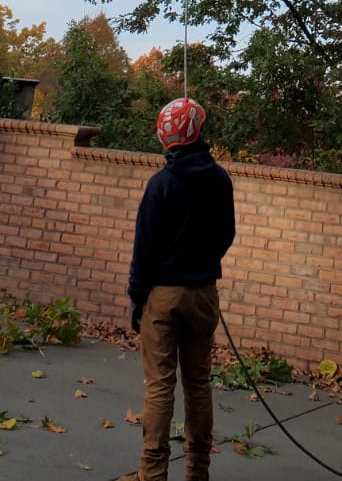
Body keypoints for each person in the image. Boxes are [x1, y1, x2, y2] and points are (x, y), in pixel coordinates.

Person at [126, 96, 235, 481]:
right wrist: (203, 264)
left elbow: (144, 249)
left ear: (166, 139)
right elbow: (226, 234)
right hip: (203, 294)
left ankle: (152, 474)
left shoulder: (161, 184)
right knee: (198, 383)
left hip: (163, 295)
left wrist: (136, 297)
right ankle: (197, 471)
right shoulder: (220, 179)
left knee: (160, 385)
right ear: (199, 131)